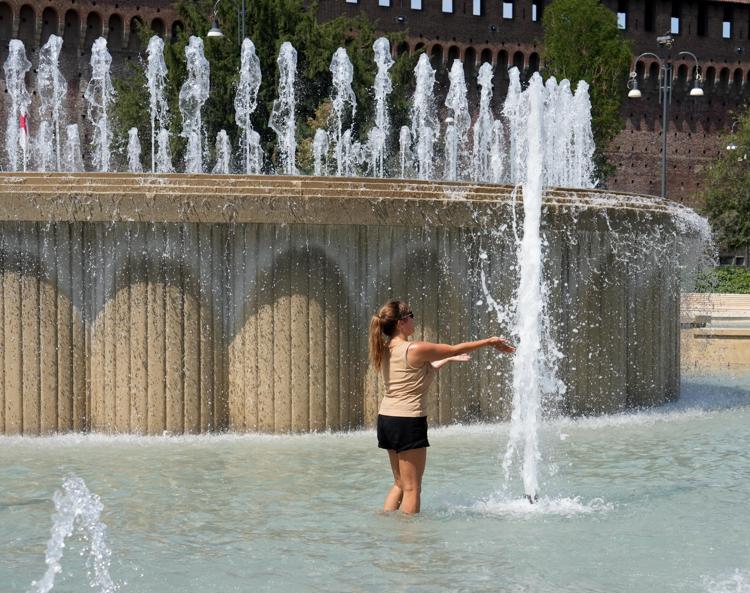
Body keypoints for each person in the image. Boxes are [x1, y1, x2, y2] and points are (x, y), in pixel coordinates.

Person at [368, 299, 515, 514]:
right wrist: (490, 342)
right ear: (400, 323)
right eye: (411, 315)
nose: (413, 319)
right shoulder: (414, 347)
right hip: (408, 421)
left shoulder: (387, 348)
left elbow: (417, 374)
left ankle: (387, 528)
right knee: (412, 488)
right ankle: (410, 541)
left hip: (387, 420)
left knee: (400, 484)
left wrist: (448, 360)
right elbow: (452, 348)